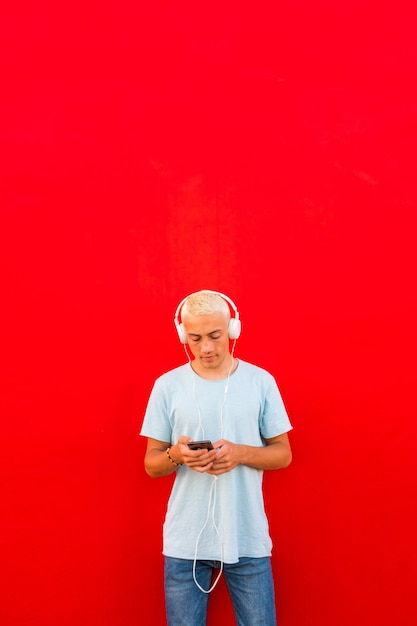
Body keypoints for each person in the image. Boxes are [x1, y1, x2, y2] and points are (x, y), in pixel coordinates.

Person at [140, 289, 293, 626]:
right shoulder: (167, 386)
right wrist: (177, 455)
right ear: (183, 335)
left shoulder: (260, 381)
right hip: (185, 542)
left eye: (215, 335)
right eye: (195, 338)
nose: (206, 347)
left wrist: (240, 453)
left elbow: (284, 454)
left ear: (232, 330)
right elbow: (152, 464)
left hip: (247, 536)